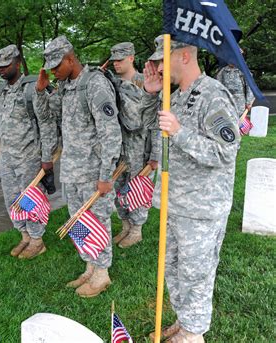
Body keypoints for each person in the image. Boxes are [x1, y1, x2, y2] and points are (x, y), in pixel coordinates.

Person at [143, 35, 240, 342]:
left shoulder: (214, 95)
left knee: (196, 275)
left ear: (184, 56)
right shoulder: (177, 95)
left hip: (201, 208)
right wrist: (150, 94)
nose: (158, 67)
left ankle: (193, 334)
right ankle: (184, 321)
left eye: (163, 59)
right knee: (173, 269)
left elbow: (226, 151)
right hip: (176, 203)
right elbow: (142, 123)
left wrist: (180, 133)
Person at [35, 36, 122, 297]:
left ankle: (102, 272)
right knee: (78, 222)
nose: (53, 71)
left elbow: (111, 133)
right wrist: (41, 91)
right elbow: (48, 113)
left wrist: (106, 175)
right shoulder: (66, 87)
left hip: (93, 173)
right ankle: (90, 265)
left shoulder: (95, 85)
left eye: (56, 66)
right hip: (72, 170)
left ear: (70, 59)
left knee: (98, 220)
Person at [0, 45, 57, 259]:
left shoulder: (31, 88)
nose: (1, 70)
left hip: (29, 157)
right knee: (12, 198)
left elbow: (46, 123)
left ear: (18, 63)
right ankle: (25, 235)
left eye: (6, 65)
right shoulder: (2, 90)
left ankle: (37, 240)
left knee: (30, 199)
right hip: (7, 156)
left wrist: (47, 158)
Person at [105, 42, 159, 248]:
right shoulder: (111, 84)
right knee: (120, 188)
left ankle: (137, 229)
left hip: (140, 147)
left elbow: (155, 121)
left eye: (120, 59)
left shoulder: (146, 82)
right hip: (120, 146)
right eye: (114, 60)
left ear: (131, 58)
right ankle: (125, 225)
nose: (116, 64)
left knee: (136, 188)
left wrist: (155, 154)